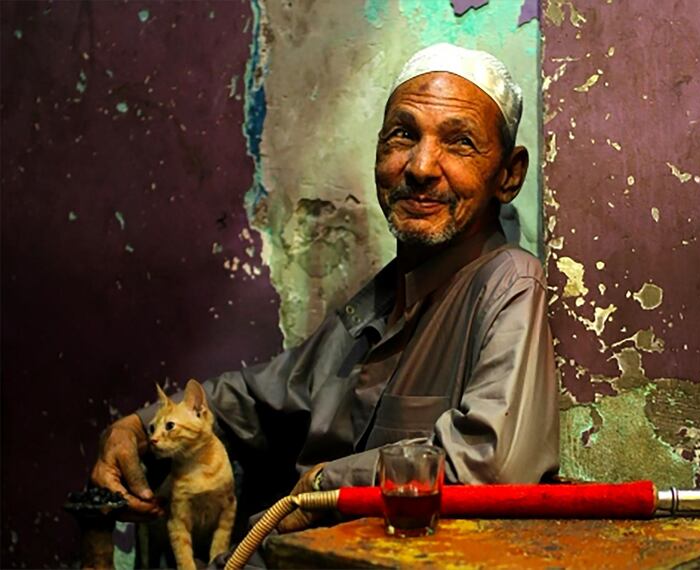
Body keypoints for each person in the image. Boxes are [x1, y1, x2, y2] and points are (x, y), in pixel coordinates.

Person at [91, 43, 559, 542]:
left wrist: (322, 485)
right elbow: (254, 399)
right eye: (403, 134)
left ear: (508, 176)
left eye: (459, 142)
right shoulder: (379, 301)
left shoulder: (507, 282)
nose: (421, 166)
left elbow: (492, 465)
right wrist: (135, 429)